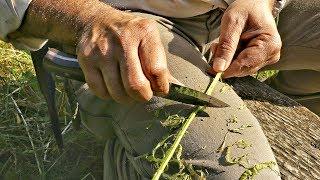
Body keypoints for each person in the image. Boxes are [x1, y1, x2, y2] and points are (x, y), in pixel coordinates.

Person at [1, 0, 319, 179]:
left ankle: (286, 115)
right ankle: (131, 154)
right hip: (121, 21)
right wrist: (89, 19)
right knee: (239, 172)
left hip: (237, 13)